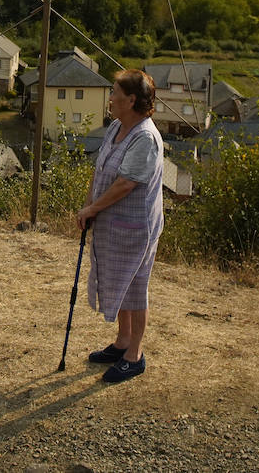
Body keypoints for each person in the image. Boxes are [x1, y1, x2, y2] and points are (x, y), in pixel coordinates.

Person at [76, 69, 164, 383]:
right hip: (112, 224)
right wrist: (88, 209)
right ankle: (122, 341)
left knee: (135, 287)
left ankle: (134, 355)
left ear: (131, 100)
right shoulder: (117, 127)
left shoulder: (145, 137)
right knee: (121, 284)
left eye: (114, 93)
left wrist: (94, 208)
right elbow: (101, 173)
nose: (110, 98)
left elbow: (126, 183)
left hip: (135, 228)